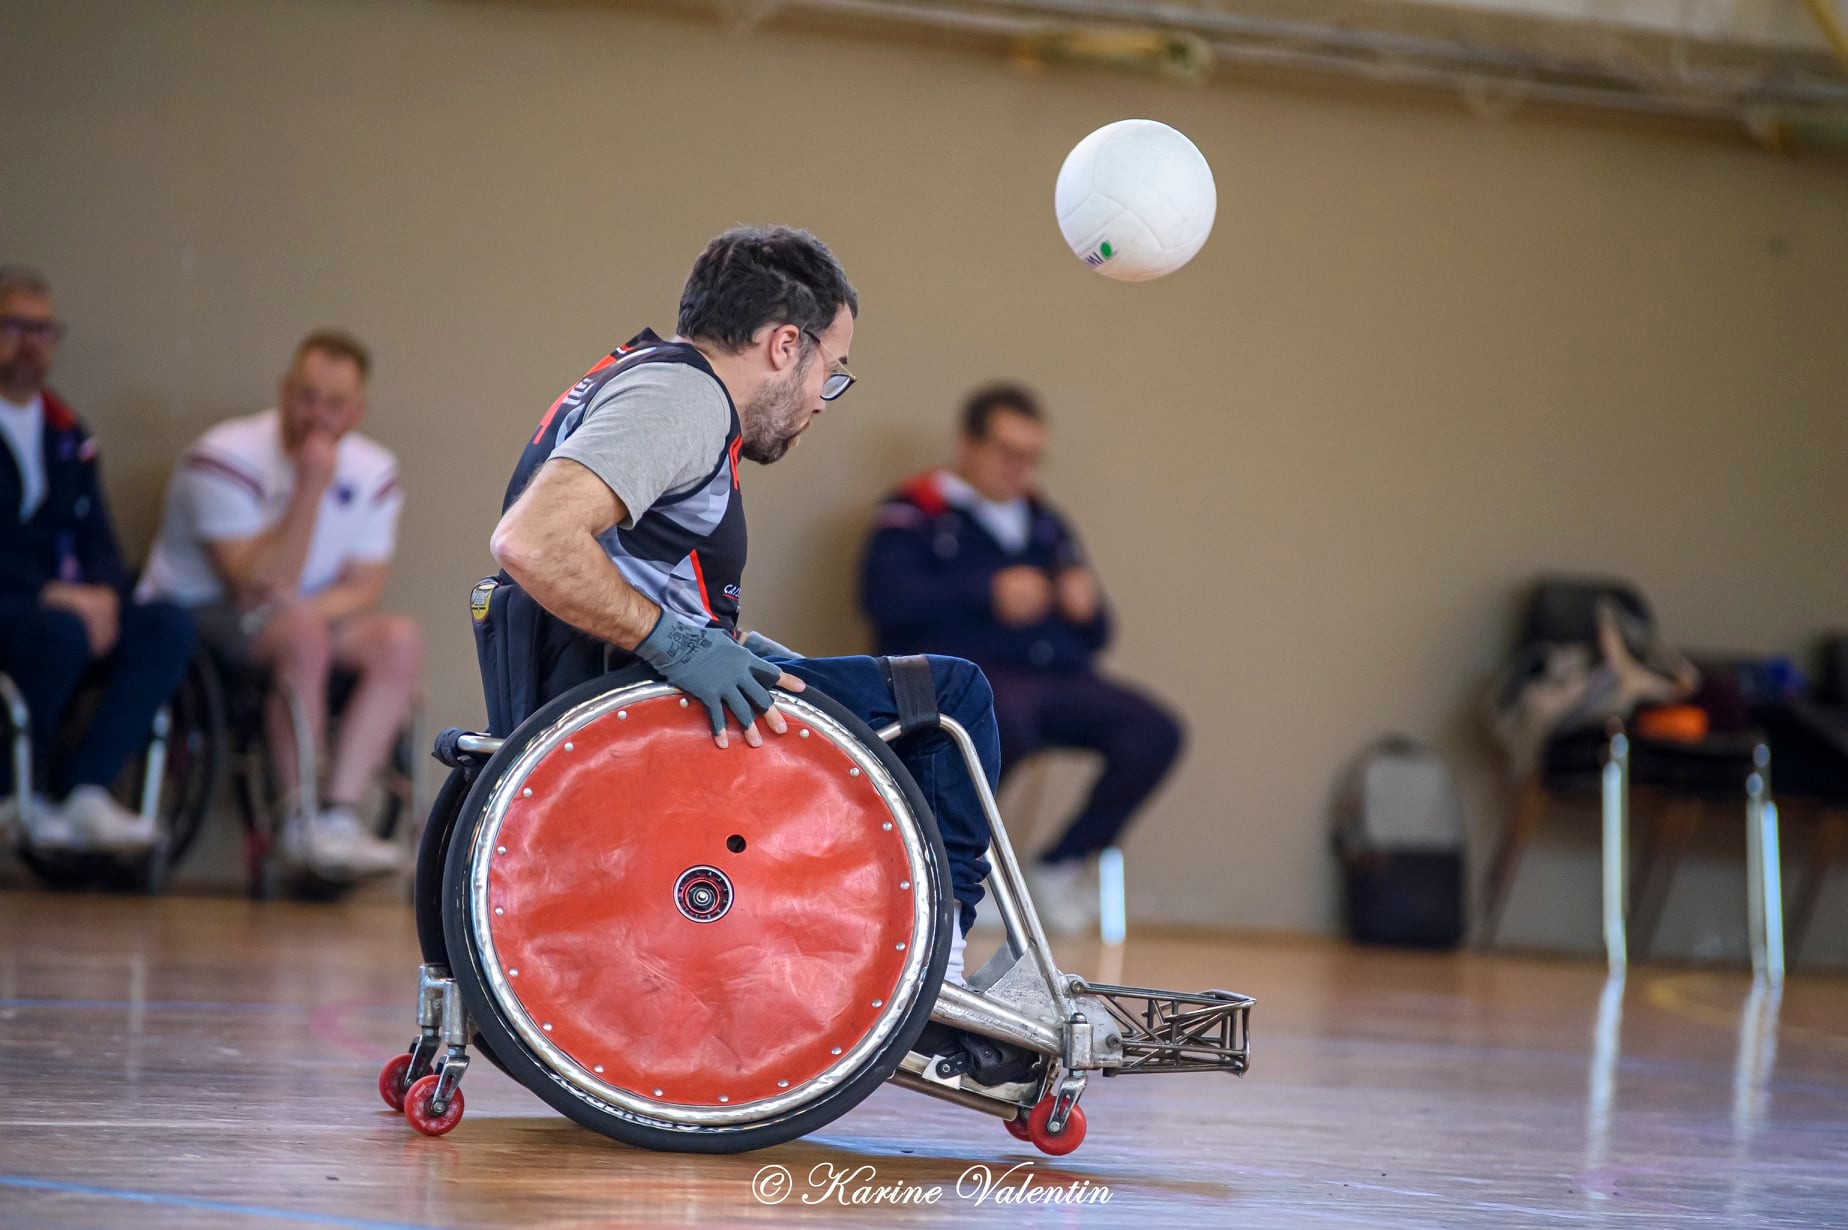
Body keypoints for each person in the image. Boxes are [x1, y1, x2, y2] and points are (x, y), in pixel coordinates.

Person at [484, 225, 998, 984]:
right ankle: (935, 970)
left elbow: (640, 573)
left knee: (851, 687)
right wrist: (677, 645)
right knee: (949, 698)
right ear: (786, 345)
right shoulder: (683, 399)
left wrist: (729, 644)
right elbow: (532, 541)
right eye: (832, 370)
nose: (823, 402)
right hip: (649, 725)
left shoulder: (639, 377)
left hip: (624, 700)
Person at [859, 383, 1185, 932]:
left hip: (1055, 676)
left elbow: (1099, 635)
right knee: (1002, 718)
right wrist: (986, 593)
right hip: (963, 677)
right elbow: (884, 602)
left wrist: (1086, 609)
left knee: (1155, 730)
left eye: (1032, 457)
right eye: (1008, 452)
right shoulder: (915, 509)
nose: (1020, 469)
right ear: (967, 444)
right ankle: (962, 871)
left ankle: (1059, 866)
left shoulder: (1044, 520)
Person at [138, 330, 417, 878]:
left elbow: (365, 586)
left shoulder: (375, 470)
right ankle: (297, 817)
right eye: (306, 397)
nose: (317, 417)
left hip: (298, 615)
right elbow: (255, 581)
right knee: (302, 635)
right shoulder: (224, 455)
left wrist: (308, 610)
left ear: (357, 411)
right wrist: (310, 486)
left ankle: (339, 813)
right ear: (285, 391)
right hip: (199, 614)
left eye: (334, 404)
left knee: (398, 640)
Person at [0, 264, 195, 852]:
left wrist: (107, 596)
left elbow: (97, 535)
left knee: (166, 625)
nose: (31, 342)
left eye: (43, 330)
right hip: (18, 602)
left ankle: (85, 788)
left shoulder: (65, 430)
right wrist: (52, 593)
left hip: (69, 603)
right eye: (15, 326)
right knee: (59, 631)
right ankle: (22, 791)